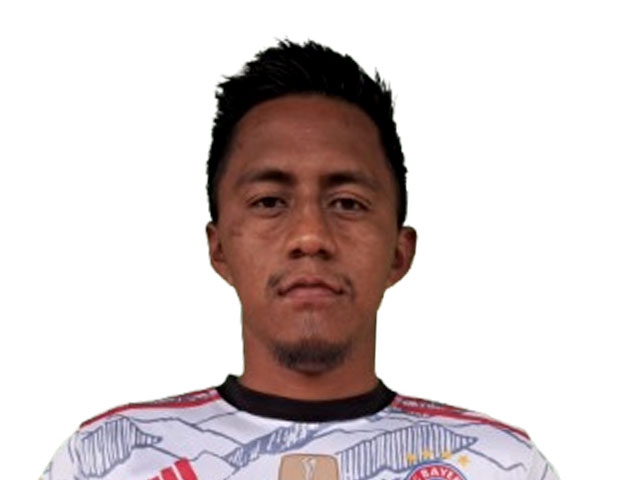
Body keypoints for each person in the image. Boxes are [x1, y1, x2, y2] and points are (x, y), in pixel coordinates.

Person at [41, 40, 558, 480]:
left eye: (347, 203)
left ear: (399, 253)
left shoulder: (501, 466)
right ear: (219, 249)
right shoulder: (106, 461)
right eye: (270, 201)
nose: (310, 236)